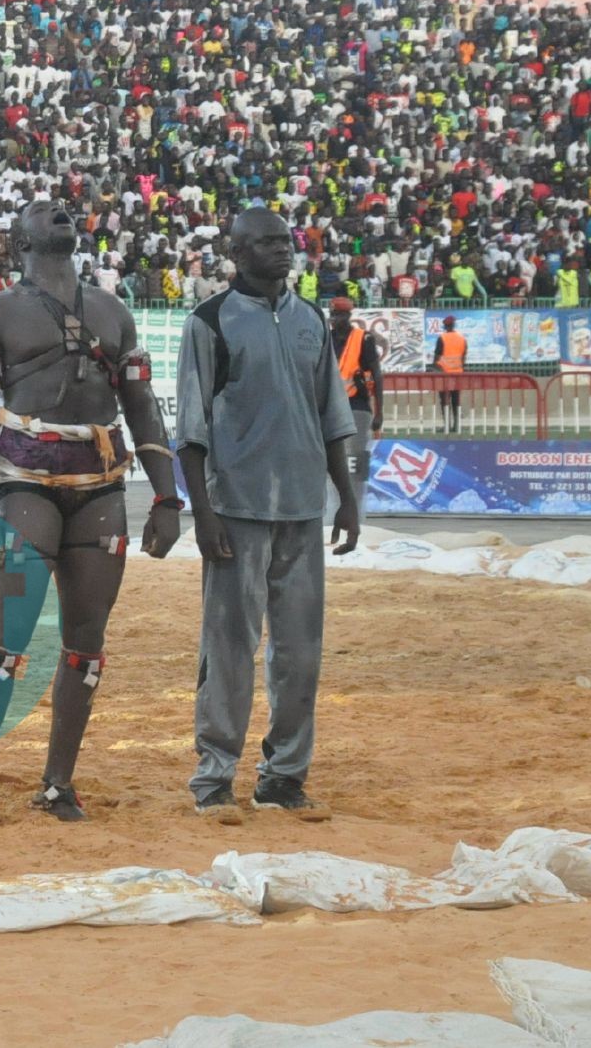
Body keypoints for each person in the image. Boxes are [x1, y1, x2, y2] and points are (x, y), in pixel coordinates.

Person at [0, 200, 181, 821]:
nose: (59, 212)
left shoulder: (113, 310)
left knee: (87, 644)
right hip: (25, 488)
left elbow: (140, 406)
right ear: (18, 240)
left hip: (102, 489)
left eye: (63, 210)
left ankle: (58, 784)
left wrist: (166, 494)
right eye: (42, 212)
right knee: (9, 642)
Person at [176, 207, 360, 823]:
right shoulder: (209, 322)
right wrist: (203, 513)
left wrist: (348, 496)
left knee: (300, 651)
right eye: (269, 242)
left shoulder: (311, 319)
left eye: (288, 240)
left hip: (304, 508)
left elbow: (333, 415)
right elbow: (192, 429)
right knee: (229, 646)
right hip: (236, 509)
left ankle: (283, 777)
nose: (284, 250)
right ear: (237, 252)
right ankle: (214, 779)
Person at [328, 298, 383, 517]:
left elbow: (377, 375)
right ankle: (332, 515)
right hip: (332, 409)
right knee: (333, 463)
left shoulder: (363, 339)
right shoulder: (328, 339)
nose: (334, 320)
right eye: (332, 316)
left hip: (357, 407)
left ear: (348, 316)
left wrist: (379, 412)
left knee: (355, 463)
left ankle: (356, 515)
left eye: (338, 316)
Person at [432, 315, 466, 433]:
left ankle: (447, 425)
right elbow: (463, 358)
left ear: (445, 326)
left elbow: (436, 358)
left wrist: (436, 370)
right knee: (456, 400)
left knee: (445, 400)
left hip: (445, 374)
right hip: (458, 374)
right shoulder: (462, 338)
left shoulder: (442, 338)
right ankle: (457, 426)